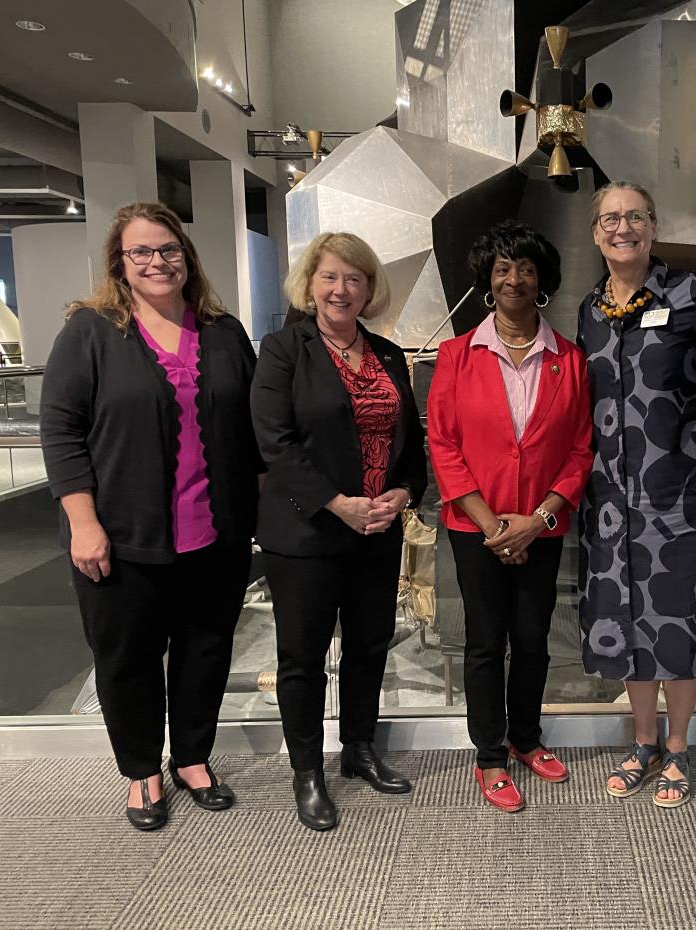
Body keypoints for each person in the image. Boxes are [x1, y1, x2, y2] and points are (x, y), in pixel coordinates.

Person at [41, 201, 262, 831]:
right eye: (141, 251)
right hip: (119, 536)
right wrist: (83, 521)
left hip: (214, 534)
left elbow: (250, 431)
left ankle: (192, 757)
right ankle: (141, 770)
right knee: (127, 658)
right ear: (121, 261)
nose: (158, 262)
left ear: (186, 257)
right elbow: (60, 431)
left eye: (168, 249)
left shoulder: (223, 332)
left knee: (206, 649)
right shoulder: (90, 331)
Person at [251, 232, 427, 832]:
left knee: (369, 646)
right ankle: (307, 771)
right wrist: (336, 503)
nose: (341, 289)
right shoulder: (282, 351)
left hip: (376, 529)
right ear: (310, 284)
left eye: (354, 279)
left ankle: (358, 750)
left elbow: (410, 441)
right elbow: (275, 442)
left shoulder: (387, 352)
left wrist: (403, 494)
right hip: (305, 532)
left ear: (368, 289)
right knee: (301, 658)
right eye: (329, 277)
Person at [578, 181, 696, 809]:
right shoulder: (590, 310)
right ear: (596, 232)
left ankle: (677, 747)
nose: (623, 228)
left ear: (653, 226)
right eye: (610, 218)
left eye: (636, 217)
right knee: (626, 624)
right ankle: (641, 741)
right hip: (611, 499)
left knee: (678, 623)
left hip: (682, 498)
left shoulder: (694, 298)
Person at [426, 220, 592, 813]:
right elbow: (442, 444)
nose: (513, 278)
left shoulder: (568, 360)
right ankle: (489, 755)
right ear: (488, 281)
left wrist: (539, 519)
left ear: (541, 280)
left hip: (541, 527)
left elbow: (580, 449)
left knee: (533, 639)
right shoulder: (456, 355)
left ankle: (526, 738)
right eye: (502, 269)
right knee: (484, 642)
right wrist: (494, 523)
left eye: (524, 268)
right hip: (477, 529)